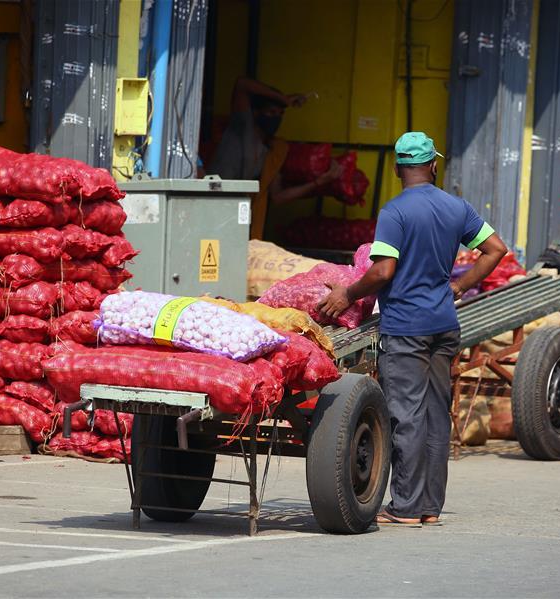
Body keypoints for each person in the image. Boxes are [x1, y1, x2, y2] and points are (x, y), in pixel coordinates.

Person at [318, 132, 507, 526]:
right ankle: (429, 508)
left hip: (405, 328)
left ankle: (403, 506)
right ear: (433, 166)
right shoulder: (457, 207)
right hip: (443, 325)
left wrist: (346, 295)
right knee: (436, 415)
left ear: (398, 168)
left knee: (405, 415)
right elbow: (496, 250)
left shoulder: (395, 211)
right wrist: (458, 286)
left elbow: (383, 271)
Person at [207, 77, 342, 239]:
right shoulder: (242, 126)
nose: (276, 118)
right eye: (271, 112)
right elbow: (242, 84)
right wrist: (284, 99)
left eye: (280, 114)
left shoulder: (271, 150)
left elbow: (278, 196)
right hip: (211, 203)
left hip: (234, 218)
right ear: (256, 113)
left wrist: (320, 182)